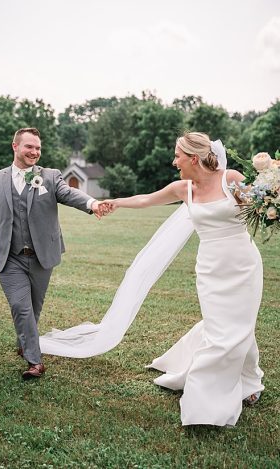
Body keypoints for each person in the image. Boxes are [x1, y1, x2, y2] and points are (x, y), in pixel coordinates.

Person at [94, 132, 264, 426]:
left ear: (193, 158)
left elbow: (258, 208)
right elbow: (147, 199)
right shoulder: (183, 189)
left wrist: (271, 201)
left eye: (178, 156)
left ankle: (245, 382)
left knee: (241, 324)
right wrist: (116, 202)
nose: (174, 162)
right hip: (210, 269)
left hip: (243, 265)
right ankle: (231, 387)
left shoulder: (230, 178)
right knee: (220, 327)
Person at [0, 128, 110, 379]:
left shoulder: (49, 176)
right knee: (20, 306)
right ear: (15, 147)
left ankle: (24, 343)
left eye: (38, 148)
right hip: (9, 256)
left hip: (41, 256)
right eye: (29, 147)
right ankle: (35, 362)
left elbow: (69, 193)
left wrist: (92, 203)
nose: (34, 152)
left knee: (33, 308)